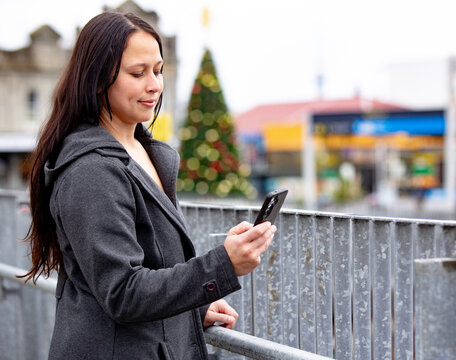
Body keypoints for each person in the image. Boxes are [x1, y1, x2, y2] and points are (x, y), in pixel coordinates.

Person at [22, 11, 276, 360]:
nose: (154, 84)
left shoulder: (145, 153)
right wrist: (222, 265)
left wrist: (191, 309)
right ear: (98, 79)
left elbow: (150, 267)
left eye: (158, 70)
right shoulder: (91, 170)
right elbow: (123, 292)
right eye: (137, 73)